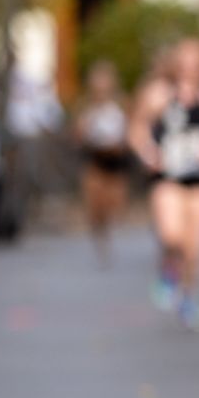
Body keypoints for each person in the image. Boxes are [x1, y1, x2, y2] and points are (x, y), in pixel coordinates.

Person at [130, 37, 199, 332]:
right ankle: (168, 266)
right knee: (172, 234)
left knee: (194, 245)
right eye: (184, 63)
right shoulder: (157, 94)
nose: (189, 69)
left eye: (196, 64)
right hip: (168, 175)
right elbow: (137, 128)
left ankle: (188, 295)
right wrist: (147, 151)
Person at [75, 60, 131, 266]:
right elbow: (78, 136)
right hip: (94, 162)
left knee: (113, 205)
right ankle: (100, 238)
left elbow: (130, 133)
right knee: (94, 207)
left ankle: (109, 232)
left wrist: (120, 144)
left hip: (116, 164)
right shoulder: (86, 108)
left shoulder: (121, 105)